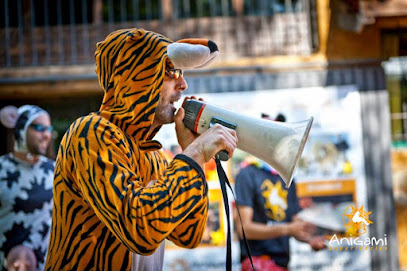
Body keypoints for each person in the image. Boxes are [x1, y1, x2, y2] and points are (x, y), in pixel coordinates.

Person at [45, 28, 238, 271]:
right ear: (137, 77)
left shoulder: (153, 156)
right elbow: (140, 230)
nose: (183, 84)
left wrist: (192, 154)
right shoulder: (90, 133)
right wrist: (194, 154)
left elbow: (188, 234)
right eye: (171, 72)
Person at [234, 113, 325, 271]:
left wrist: (310, 239)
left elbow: (294, 224)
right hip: (257, 262)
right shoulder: (247, 174)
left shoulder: (288, 178)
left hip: (282, 264)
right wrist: (288, 229)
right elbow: (245, 230)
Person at [0, 105, 55, 271]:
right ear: (21, 130)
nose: (47, 135)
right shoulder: (2, 168)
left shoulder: (57, 170)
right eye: (39, 128)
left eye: (49, 128)